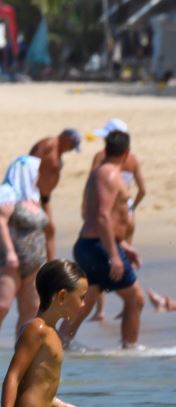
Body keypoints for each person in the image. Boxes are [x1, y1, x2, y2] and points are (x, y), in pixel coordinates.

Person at [0, 260, 88, 407]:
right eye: (81, 297)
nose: (83, 304)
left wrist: (58, 406)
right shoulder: (37, 330)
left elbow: (32, 383)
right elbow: (13, 377)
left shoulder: (50, 333)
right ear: (62, 296)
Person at [59, 129, 144, 349]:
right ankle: (130, 350)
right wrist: (114, 255)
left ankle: (59, 345)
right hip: (100, 247)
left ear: (106, 149)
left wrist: (122, 243)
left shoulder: (100, 173)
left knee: (87, 300)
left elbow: (96, 213)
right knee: (135, 299)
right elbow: (102, 216)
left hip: (93, 245)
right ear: (126, 152)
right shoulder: (109, 175)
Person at [0, 156, 48, 344]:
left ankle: (21, 353)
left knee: (31, 309)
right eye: (36, 171)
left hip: (35, 262)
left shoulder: (34, 197)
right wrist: (10, 252)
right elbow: (0, 222)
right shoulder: (6, 193)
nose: (39, 175)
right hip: (8, 260)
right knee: (0, 306)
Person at [84, 118, 144, 322]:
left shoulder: (101, 158)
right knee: (122, 261)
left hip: (106, 216)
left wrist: (86, 210)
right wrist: (132, 207)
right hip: (127, 215)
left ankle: (100, 311)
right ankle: (127, 306)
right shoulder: (133, 158)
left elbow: (92, 186)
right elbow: (143, 189)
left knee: (107, 263)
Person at [27, 128, 82, 261]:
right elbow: (29, 163)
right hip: (33, 193)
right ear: (66, 139)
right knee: (34, 228)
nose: (71, 150)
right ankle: (32, 264)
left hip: (45, 196)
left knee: (50, 228)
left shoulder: (58, 151)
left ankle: (51, 265)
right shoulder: (50, 144)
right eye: (72, 146)